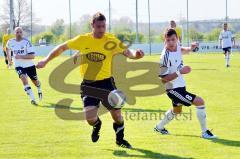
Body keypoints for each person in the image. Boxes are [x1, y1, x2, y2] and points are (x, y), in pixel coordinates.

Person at [36, 12, 144, 148]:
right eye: (98, 26)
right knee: (90, 119)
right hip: (88, 85)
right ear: (92, 25)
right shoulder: (83, 40)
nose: (101, 29)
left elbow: (128, 52)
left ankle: (120, 139)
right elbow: (62, 47)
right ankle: (97, 125)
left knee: (117, 115)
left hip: (106, 83)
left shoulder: (111, 40)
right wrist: (46, 60)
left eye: (103, 26)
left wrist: (137, 55)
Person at [154, 28, 217, 139]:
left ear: (177, 39)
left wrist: (192, 48)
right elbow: (163, 80)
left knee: (176, 111)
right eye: (168, 40)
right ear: (165, 41)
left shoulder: (177, 47)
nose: (171, 43)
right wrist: (180, 72)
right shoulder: (164, 57)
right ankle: (205, 132)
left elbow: (182, 49)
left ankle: (159, 127)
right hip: (172, 89)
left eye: (173, 39)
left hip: (180, 86)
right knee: (200, 102)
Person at [6, 27, 42, 105]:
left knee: (35, 82)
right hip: (18, 65)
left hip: (30, 65)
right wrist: (9, 60)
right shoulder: (10, 42)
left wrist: (21, 56)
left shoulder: (26, 42)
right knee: (23, 79)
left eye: (20, 32)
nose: (19, 34)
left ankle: (39, 87)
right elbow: (7, 49)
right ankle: (33, 99)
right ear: (14, 33)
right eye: (17, 32)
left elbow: (32, 56)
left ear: (22, 33)